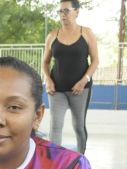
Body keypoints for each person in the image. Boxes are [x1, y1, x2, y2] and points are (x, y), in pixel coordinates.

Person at [41, 0, 99, 153]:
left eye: (66, 11)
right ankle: (54, 163)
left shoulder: (86, 33)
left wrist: (83, 80)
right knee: (55, 125)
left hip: (80, 90)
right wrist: (48, 79)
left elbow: (95, 61)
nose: (62, 15)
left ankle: (81, 159)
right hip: (56, 90)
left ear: (77, 12)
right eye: (60, 11)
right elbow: (45, 63)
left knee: (78, 126)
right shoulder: (53, 35)